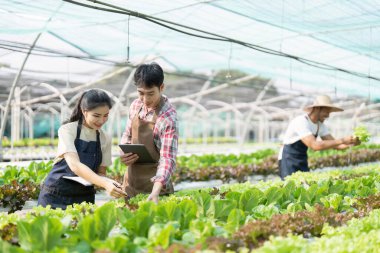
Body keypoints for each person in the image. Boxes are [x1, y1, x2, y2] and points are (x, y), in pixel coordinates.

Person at [38, 89, 127, 209]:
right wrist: (105, 183)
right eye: (96, 116)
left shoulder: (105, 137)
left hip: (84, 197)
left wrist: (112, 184)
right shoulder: (67, 130)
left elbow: (101, 173)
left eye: (105, 116)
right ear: (84, 112)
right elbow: (75, 165)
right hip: (56, 195)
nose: (101, 121)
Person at [120, 62, 178, 204]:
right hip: (130, 184)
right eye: (141, 93)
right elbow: (127, 136)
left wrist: (156, 191)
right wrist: (124, 153)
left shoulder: (168, 117)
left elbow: (167, 158)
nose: (145, 100)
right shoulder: (135, 106)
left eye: (150, 93)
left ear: (161, 87)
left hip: (155, 188)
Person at [278, 95, 359, 179]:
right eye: (326, 111)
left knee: (304, 186)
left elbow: (337, 146)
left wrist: (351, 143)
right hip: (287, 159)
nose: (328, 115)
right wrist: (342, 140)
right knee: (290, 187)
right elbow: (315, 145)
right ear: (317, 109)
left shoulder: (319, 125)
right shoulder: (301, 121)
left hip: (301, 158)